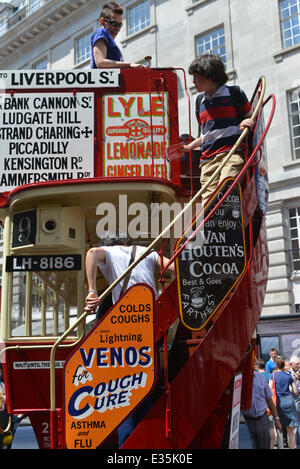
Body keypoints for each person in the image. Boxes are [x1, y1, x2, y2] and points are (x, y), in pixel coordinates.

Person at [85, 232, 174, 447]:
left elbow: (91, 252)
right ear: (127, 242)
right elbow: (173, 268)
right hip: (149, 322)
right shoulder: (147, 252)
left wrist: (92, 291)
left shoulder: (110, 252)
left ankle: (127, 443)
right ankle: (146, 435)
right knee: (145, 381)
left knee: (124, 389)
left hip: (125, 327)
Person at [180, 54, 255, 205]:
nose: (193, 82)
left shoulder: (234, 93)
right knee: (209, 202)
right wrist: (189, 147)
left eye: (196, 77)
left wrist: (247, 121)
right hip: (208, 161)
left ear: (209, 74)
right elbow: (206, 134)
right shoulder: (200, 101)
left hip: (231, 153)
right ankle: (214, 228)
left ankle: (230, 224)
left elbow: (252, 116)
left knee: (227, 186)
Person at [91, 2, 144, 69]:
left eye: (119, 25)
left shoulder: (109, 39)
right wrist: (129, 65)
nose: (117, 29)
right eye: (114, 23)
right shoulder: (101, 32)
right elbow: (100, 62)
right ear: (102, 22)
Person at [242, 369, 282, 449]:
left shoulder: (260, 377)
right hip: (245, 422)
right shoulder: (238, 379)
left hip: (262, 421)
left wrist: (276, 419)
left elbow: (269, 400)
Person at [270, 356, 298, 449]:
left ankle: (281, 447)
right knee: (290, 429)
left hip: (278, 402)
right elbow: (295, 391)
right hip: (289, 401)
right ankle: (292, 447)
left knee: (279, 427)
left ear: (276, 365)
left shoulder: (273, 375)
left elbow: (270, 390)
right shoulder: (289, 376)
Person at [289, 355, 300, 448]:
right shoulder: (288, 375)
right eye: (297, 364)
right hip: (294, 404)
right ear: (291, 364)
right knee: (295, 425)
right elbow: (290, 390)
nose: (299, 365)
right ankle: (295, 445)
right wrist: (295, 379)